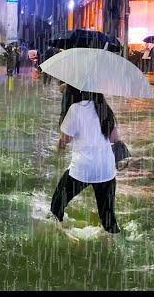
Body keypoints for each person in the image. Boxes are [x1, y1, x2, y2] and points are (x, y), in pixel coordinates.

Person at [50, 91, 121, 234]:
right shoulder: (105, 109)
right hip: (106, 169)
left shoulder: (75, 109)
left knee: (57, 205)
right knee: (108, 217)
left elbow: (65, 140)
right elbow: (115, 140)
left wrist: (59, 145)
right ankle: (114, 243)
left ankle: (60, 236)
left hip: (82, 169)